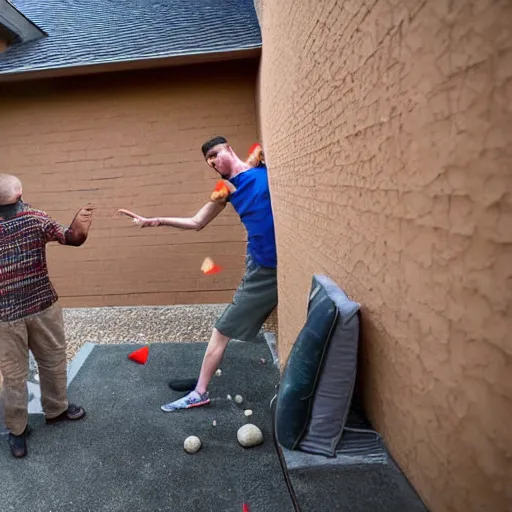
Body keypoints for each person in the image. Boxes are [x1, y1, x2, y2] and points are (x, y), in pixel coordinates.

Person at [118, 137, 277, 412]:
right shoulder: (227, 188)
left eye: (216, 154)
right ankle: (199, 391)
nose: (213, 162)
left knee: (221, 330)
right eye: (209, 160)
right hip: (265, 266)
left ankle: (199, 388)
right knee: (222, 329)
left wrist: (257, 157)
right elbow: (196, 222)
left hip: (269, 263)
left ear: (229, 149)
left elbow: (256, 158)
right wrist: (155, 221)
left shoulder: (262, 165)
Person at [0, 174, 94, 458]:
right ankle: (54, 411)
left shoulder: (35, 218)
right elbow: (72, 238)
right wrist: (80, 225)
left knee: (14, 375)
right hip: (39, 306)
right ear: (20, 193)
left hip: (6, 315)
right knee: (51, 360)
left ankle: (19, 431)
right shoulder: (36, 218)